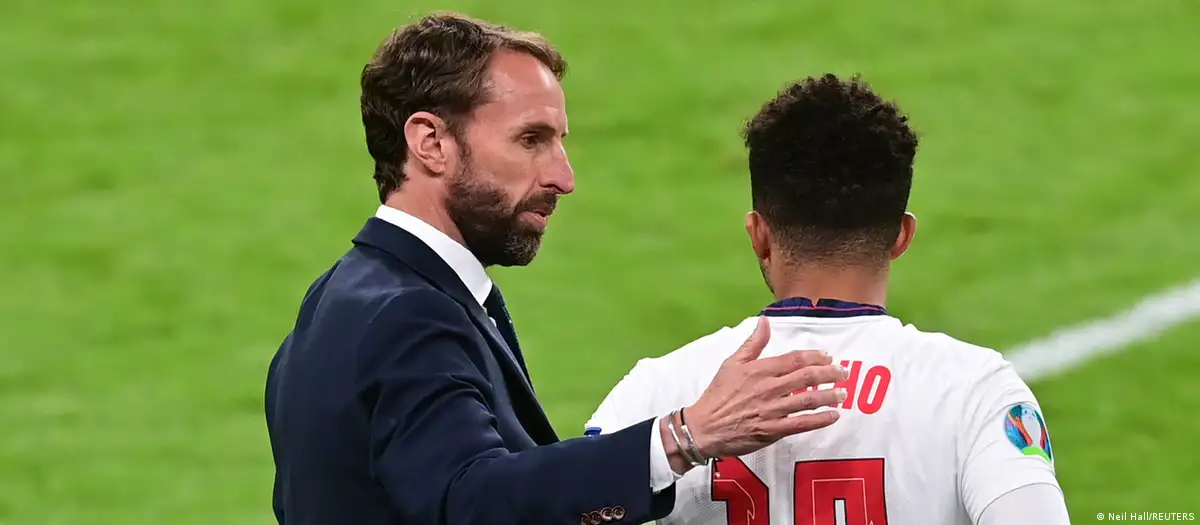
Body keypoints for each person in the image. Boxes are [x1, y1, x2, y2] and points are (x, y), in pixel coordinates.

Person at [263, 13, 855, 525]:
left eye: (559, 142)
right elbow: (469, 498)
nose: (563, 177)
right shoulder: (408, 313)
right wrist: (684, 435)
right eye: (531, 139)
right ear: (431, 142)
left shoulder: (340, 297)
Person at [584, 74, 1071, 525]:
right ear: (901, 236)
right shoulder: (974, 390)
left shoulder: (657, 390)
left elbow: (559, 502)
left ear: (759, 235)